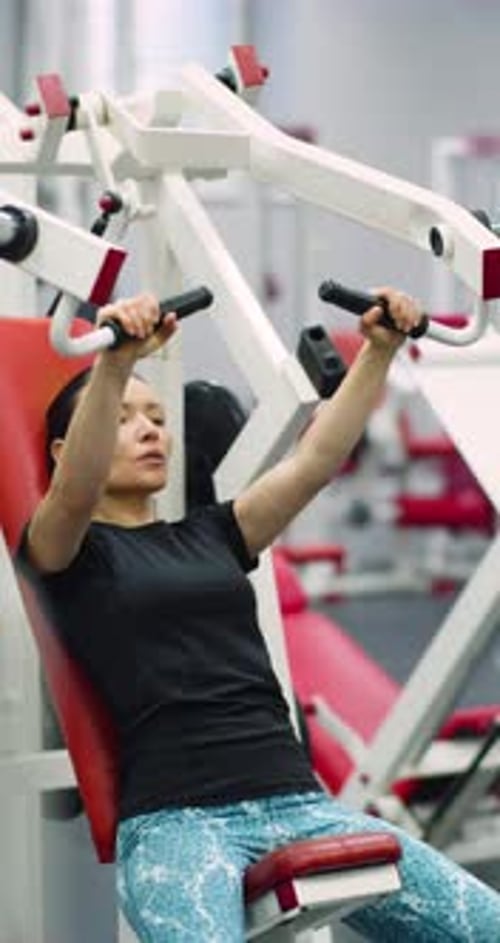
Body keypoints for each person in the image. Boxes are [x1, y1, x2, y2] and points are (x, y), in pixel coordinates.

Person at [16, 290, 500, 943]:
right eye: (128, 417)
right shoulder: (67, 551)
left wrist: (381, 351)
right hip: (178, 822)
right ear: (59, 449)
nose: (152, 427)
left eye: (158, 416)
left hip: (304, 802)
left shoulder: (217, 532)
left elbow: (315, 461)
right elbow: (76, 489)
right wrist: (115, 365)